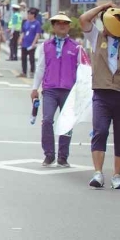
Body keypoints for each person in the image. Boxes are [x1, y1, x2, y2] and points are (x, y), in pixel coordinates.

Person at [80, 5, 120, 189]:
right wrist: (104, 7)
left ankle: (117, 176)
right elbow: (84, 19)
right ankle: (98, 173)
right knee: (100, 131)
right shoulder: (97, 37)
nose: (106, 26)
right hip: (102, 93)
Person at [31, 14, 79, 168]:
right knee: (47, 120)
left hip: (69, 91)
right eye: (58, 24)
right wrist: (34, 88)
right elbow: (40, 68)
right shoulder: (46, 46)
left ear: (69, 26)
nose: (62, 26)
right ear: (53, 27)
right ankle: (49, 154)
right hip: (50, 89)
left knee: (67, 123)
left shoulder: (76, 47)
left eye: (65, 23)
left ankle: (63, 156)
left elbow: (82, 70)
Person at [20, 7, 43, 78]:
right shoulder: (26, 23)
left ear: (33, 15)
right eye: (28, 14)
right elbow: (23, 32)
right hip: (24, 43)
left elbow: (37, 34)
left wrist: (34, 43)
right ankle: (24, 72)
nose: (28, 15)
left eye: (29, 14)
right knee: (23, 58)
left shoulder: (37, 23)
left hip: (31, 44)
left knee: (31, 58)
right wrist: (20, 39)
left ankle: (32, 72)